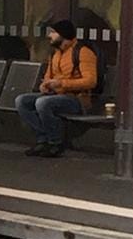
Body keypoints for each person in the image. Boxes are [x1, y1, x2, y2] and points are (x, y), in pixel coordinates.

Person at [15, 19, 98, 158]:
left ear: (63, 35)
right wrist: (45, 85)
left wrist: (62, 84)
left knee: (43, 103)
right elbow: (48, 76)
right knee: (22, 101)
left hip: (76, 99)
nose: (50, 36)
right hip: (55, 95)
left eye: (53, 32)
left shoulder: (83, 52)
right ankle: (43, 139)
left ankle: (56, 142)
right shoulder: (55, 54)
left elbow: (90, 81)